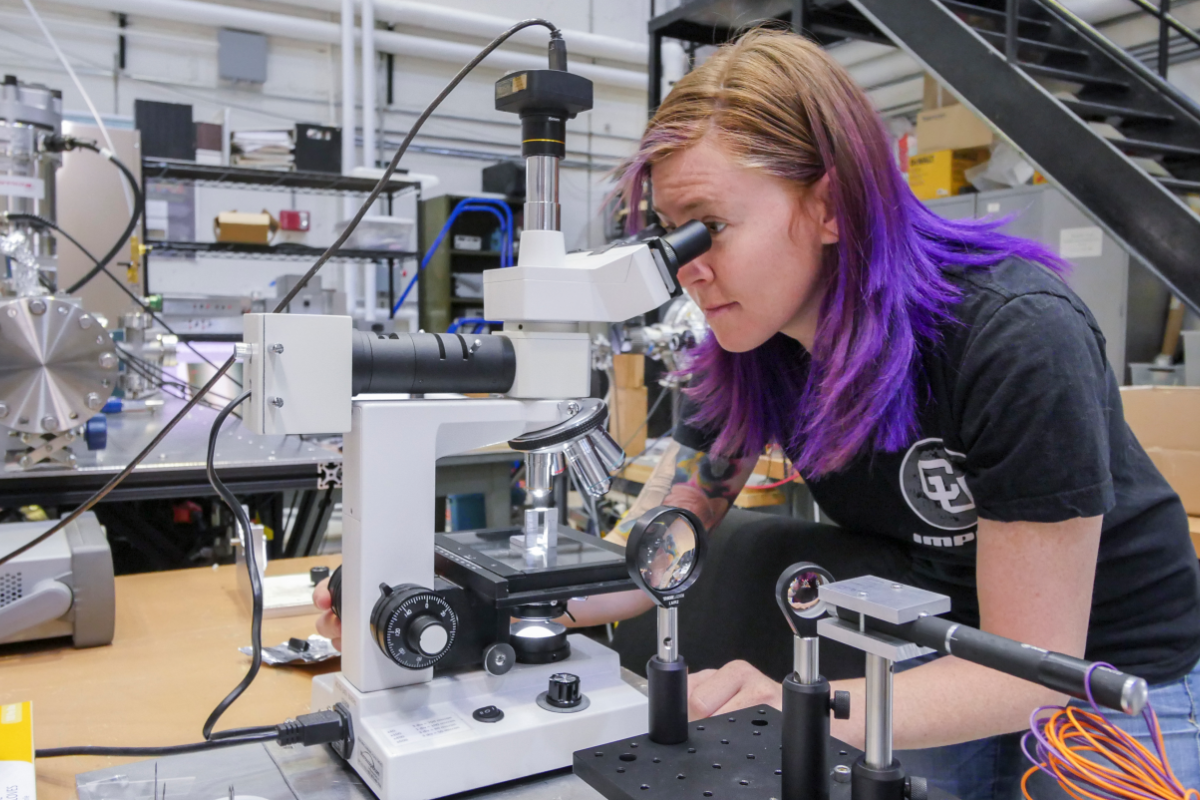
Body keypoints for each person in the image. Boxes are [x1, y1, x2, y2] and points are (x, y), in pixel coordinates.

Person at [316, 29, 1200, 800]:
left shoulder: (1015, 336)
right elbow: (661, 547)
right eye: (669, 233)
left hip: (1111, 677)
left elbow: (1027, 669)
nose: (685, 267)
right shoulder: (754, 350)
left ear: (827, 204)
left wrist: (793, 701)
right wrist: (474, 604)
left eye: (707, 227)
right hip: (937, 655)